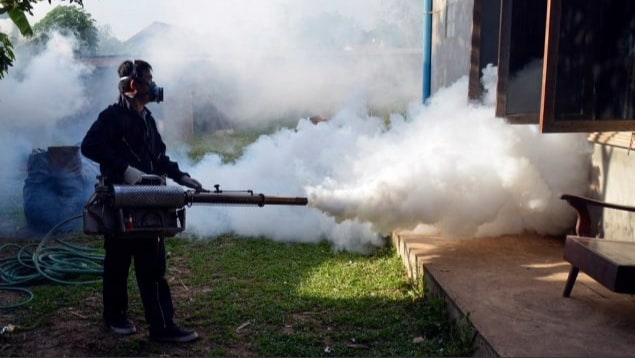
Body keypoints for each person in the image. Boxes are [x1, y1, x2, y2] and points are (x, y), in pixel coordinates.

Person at [81, 59, 203, 343]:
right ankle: (115, 317)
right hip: (120, 201)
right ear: (133, 86)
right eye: (148, 80)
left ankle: (162, 327)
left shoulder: (148, 118)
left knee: (153, 266)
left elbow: (158, 157)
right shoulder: (110, 117)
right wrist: (124, 169)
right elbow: (90, 146)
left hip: (148, 201)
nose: (153, 86)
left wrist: (180, 176)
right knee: (117, 264)